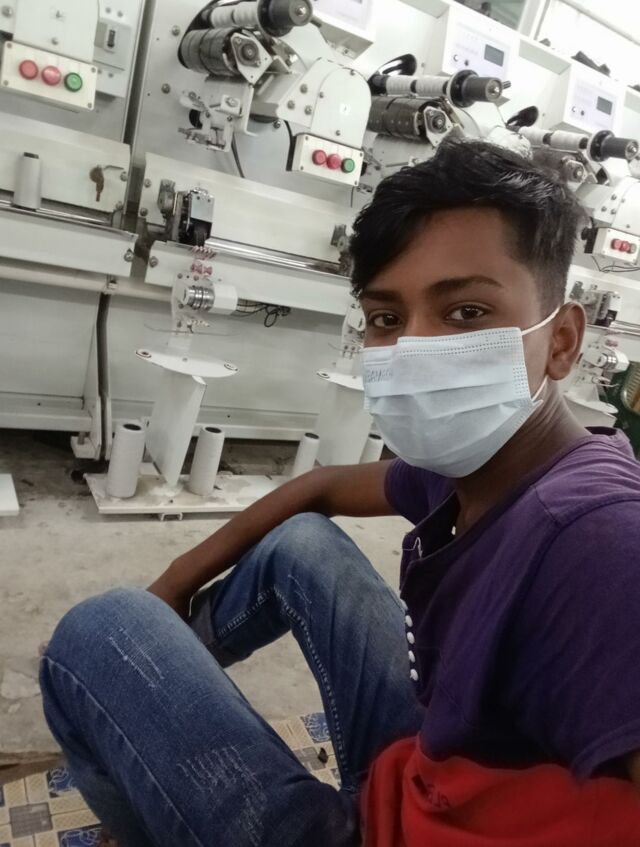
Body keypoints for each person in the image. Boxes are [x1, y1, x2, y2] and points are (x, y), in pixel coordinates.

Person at [40, 139, 640, 847]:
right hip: (426, 775)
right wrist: (173, 585)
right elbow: (320, 487)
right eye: (387, 318)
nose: (414, 350)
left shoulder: (596, 541)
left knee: (101, 631)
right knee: (300, 545)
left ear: (562, 341)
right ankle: (159, 747)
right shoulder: (489, 463)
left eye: (466, 312)